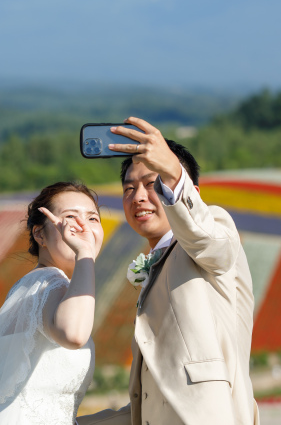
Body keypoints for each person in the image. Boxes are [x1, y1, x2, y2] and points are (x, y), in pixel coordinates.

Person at [78, 117, 259, 425]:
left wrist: (173, 173)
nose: (138, 197)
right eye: (129, 188)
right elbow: (152, 403)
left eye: (152, 184)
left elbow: (213, 245)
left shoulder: (212, 233)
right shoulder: (156, 267)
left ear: (191, 192)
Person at [0, 181, 104, 424]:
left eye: (92, 218)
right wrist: (84, 254)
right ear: (39, 234)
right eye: (70, 217)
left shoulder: (34, 284)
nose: (83, 227)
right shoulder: (50, 283)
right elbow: (74, 335)